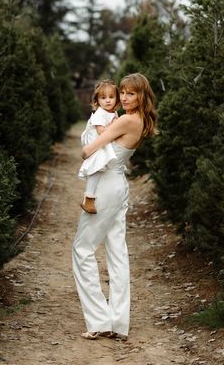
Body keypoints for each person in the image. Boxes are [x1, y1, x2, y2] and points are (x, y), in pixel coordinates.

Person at [72, 73, 157, 341]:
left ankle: (99, 320)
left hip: (107, 187)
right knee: (117, 253)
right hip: (118, 186)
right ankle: (118, 322)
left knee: (82, 249)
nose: (123, 97)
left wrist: (91, 138)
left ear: (142, 96)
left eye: (131, 93)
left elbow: (89, 151)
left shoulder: (125, 120)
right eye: (122, 92)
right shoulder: (139, 120)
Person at [78, 80, 120, 214]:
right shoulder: (99, 113)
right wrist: (114, 125)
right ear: (97, 100)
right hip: (95, 141)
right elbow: (102, 132)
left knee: (105, 164)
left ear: (116, 98)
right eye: (103, 97)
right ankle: (89, 197)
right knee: (96, 165)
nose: (107, 101)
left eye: (111, 97)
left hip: (104, 141)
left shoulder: (114, 113)